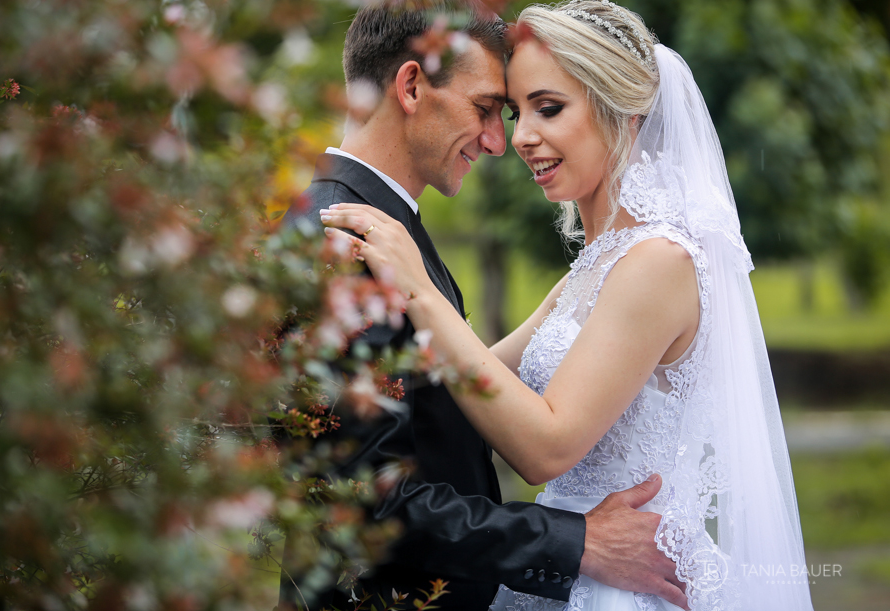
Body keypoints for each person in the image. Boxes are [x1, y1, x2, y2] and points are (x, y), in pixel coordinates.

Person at [321, 1, 816, 610]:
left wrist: (419, 291)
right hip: (565, 564)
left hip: (627, 576)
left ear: (622, 114)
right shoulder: (591, 271)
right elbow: (460, 391)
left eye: (547, 109)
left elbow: (545, 448)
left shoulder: (661, 263)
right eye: (510, 110)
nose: (518, 138)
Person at [283, 2, 688, 610]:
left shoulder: (392, 234)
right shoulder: (344, 239)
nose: (506, 142)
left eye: (539, 109)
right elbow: (367, 500)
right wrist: (574, 542)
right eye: (490, 110)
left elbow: (449, 400)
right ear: (412, 86)